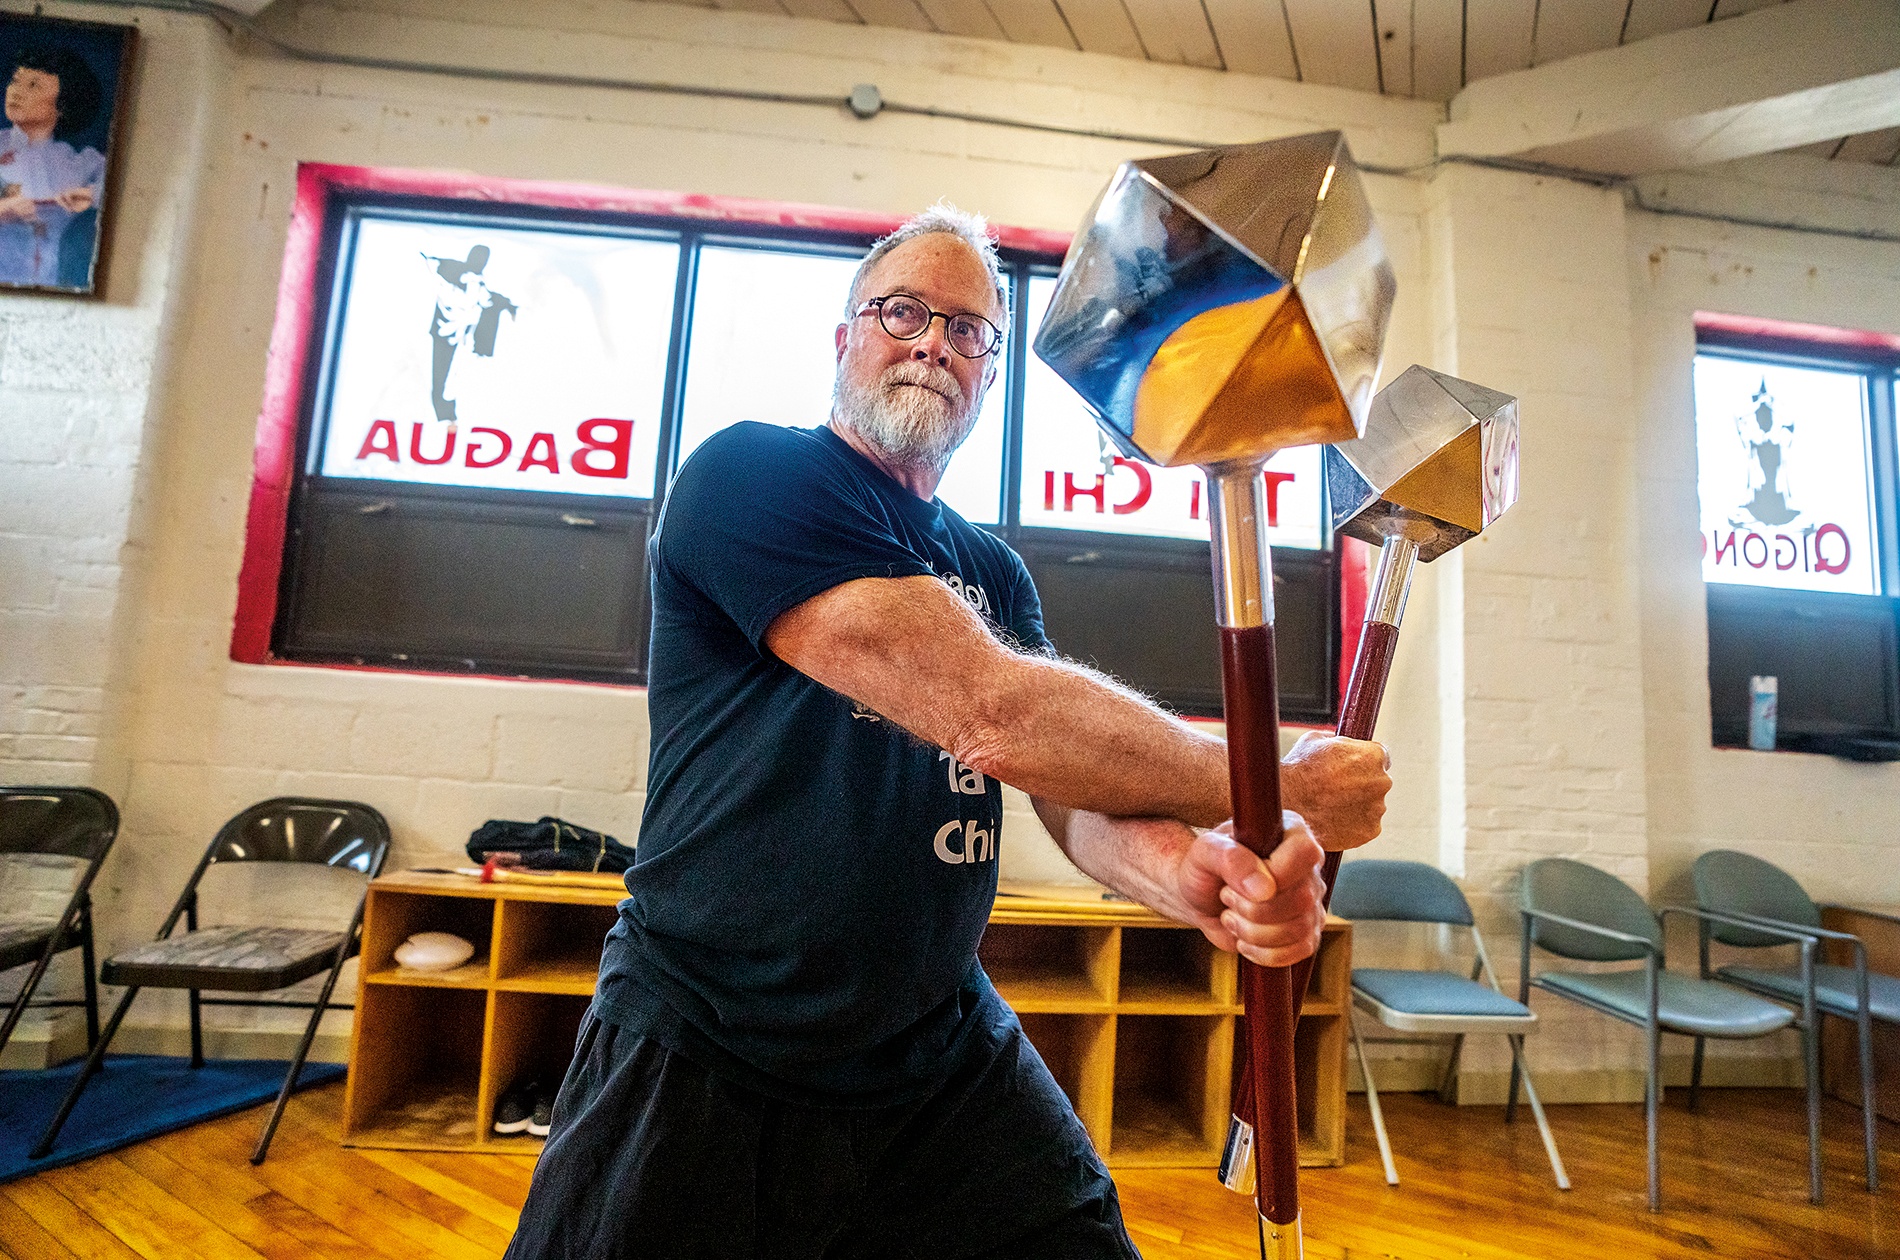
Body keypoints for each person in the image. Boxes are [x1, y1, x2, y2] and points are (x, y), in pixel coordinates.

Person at [505, 205, 1391, 1259]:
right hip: (707, 1036)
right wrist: (1268, 786)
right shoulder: (749, 476)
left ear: (989, 372)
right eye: (902, 312)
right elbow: (993, 712)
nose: (934, 342)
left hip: (933, 1048)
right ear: (844, 340)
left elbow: (1069, 799)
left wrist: (1194, 873)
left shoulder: (994, 569)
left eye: (967, 330)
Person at [0, 46, 107, 289]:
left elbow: (127, 192)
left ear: (63, 105)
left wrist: (91, 195)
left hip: (48, 291)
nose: (16, 92)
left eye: (34, 85)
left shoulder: (79, 163)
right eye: (15, 81)